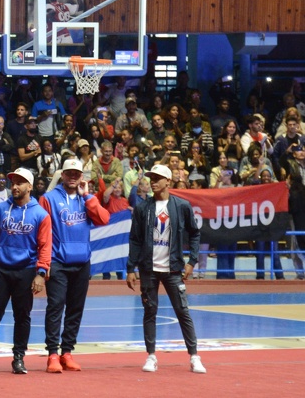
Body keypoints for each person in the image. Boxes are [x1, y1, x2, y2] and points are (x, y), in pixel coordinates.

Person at [126, 164, 206, 374]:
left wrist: (192, 261)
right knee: (149, 311)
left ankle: (194, 356)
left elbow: (195, 233)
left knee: (182, 311)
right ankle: (151, 356)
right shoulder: (143, 207)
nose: (153, 181)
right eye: (151, 177)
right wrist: (130, 267)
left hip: (173, 269)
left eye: (158, 178)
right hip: (148, 269)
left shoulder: (181, 206)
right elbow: (134, 239)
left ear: (168, 181)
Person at [0, 168, 51, 375]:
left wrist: (41, 273)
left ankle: (18, 358)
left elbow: (45, 246)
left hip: (25, 271)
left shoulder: (40, 215)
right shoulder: (0, 209)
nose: (14, 186)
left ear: (30, 186)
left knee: (22, 317)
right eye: (13, 182)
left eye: (20, 182)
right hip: (0, 270)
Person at [37, 158, 110, 373]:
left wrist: (88, 196)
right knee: (55, 306)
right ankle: (52, 354)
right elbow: (41, 233)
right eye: (68, 173)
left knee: (75, 309)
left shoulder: (87, 199)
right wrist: (44, 262)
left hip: (82, 263)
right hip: (58, 262)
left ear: (81, 177)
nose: (72, 177)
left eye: (76, 174)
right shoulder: (48, 199)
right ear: (62, 174)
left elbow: (104, 219)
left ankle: (67, 352)